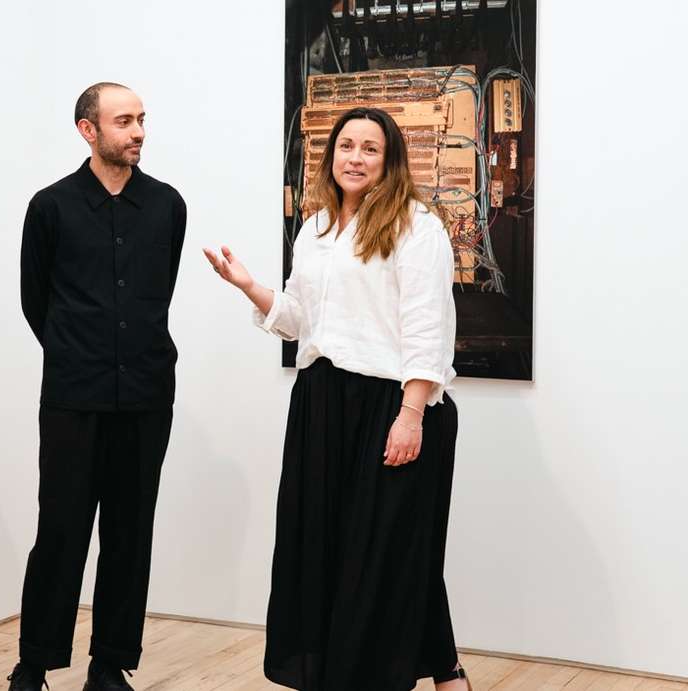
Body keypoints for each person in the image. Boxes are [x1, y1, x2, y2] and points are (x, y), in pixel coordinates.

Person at [204, 106, 470, 690]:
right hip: (323, 400)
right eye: (346, 145)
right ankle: (439, 674)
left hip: (393, 403)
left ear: (390, 159)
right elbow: (302, 318)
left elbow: (428, 326)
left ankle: (418, 674)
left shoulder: (416, 225)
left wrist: (411, 414)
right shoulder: (318, 227)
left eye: (370, 148)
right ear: (331, 156)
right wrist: (249, 286)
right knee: (331, 549)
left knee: (386, 553)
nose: (355, 157)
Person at [7, 82, 186, 691]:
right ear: (89, 130)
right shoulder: (50, 206)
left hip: (144, 396)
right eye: (124, 121)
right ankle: (34, 663)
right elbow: (37, 302)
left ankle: (109, 665)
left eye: (142, 119)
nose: (137, 132)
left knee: (130, 535)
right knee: (60, 532)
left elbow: (160, 289)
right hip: (73, 396)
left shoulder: (167, 205)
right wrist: (76, 351)